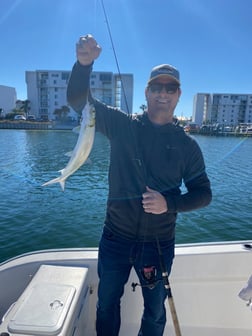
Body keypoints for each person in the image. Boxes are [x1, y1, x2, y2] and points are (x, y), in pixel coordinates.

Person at [67, 34, 212, 336]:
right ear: (147, 91)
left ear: (178, 94)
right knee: (106, 305)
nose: (163, 92)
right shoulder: (122, 125)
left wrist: (169, 204)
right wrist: (84, 64)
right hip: (115, 239)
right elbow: (79, 101)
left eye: (170, 87)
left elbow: (203, 194)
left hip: (157, 245)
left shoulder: (188, 146)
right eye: (157, 86)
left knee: (156, 312)